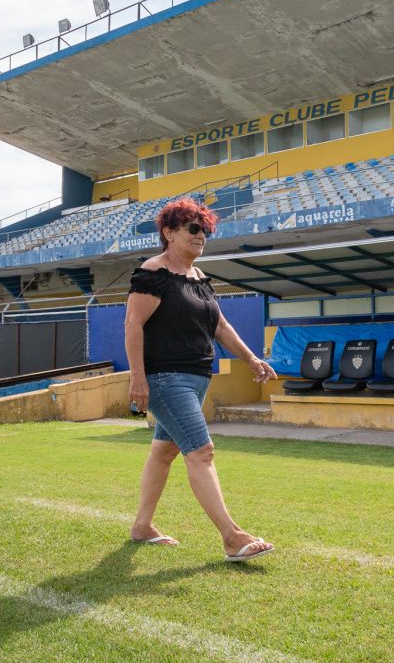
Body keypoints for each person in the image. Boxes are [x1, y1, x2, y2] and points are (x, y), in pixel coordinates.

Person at [125, 197, 277, 562]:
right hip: (165, 378)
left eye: (204, 229)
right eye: (193, 228)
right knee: (201, 452)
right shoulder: (154, 271)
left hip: (196, 378)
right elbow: (133, 324)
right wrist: (138, 378)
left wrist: (252, 359)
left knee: (164, 452)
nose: (201, 235)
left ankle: (142, 526)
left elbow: (220, 326)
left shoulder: (199, 279)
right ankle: (231, 536)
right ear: (168, 232)